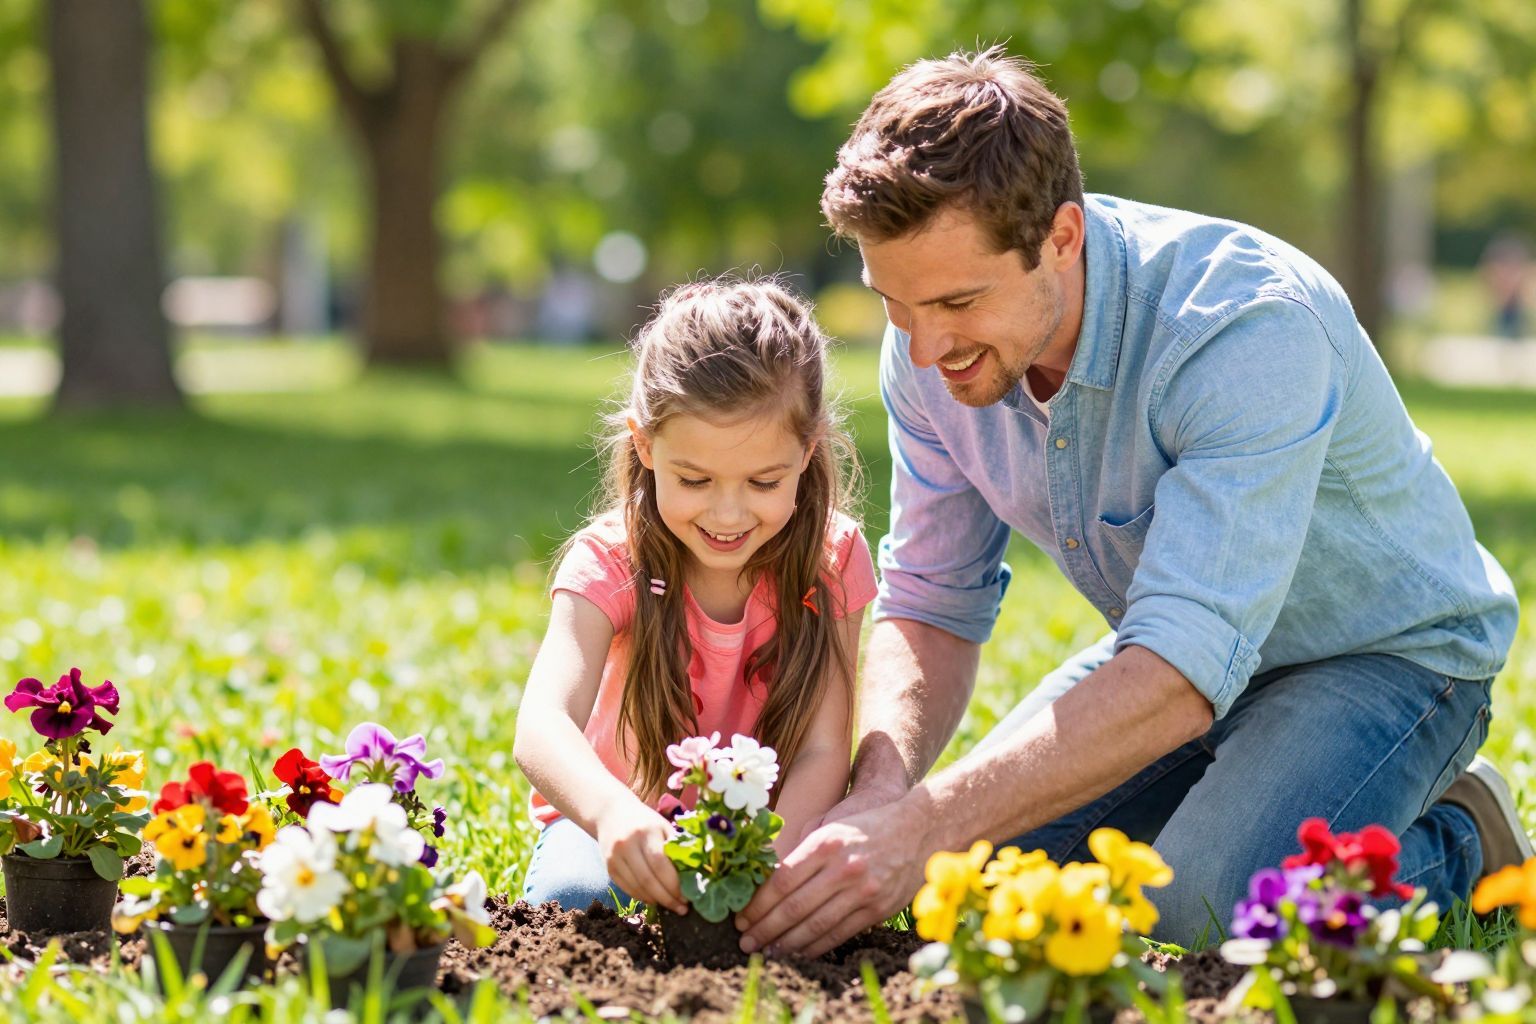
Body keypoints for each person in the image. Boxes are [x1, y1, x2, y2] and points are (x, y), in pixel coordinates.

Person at [734, 49, 1523, 955]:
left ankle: (1464, 841)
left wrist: (923, 826)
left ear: (1061, 238)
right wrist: (883, 795)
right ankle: (1250, 806)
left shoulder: (1243, 327)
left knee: (1208, 914)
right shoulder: (929, 342)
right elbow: (930, 604)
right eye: (895, 304)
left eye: (957, 300)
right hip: (1179, 650)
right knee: (979, 898)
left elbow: (1180, 677)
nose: (922, 350)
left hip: (1386, 659)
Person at [514, 278, 877, 914]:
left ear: (808, 449)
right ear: (646, 445)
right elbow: (543, 724)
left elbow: (825, 748)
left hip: (766, 831)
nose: (728, 513)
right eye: (694, 479)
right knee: (574, 898)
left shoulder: (832, 559)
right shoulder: (609, 561)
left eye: (765, 480)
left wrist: (769, 859)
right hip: (619, 822)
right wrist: (611, 816)